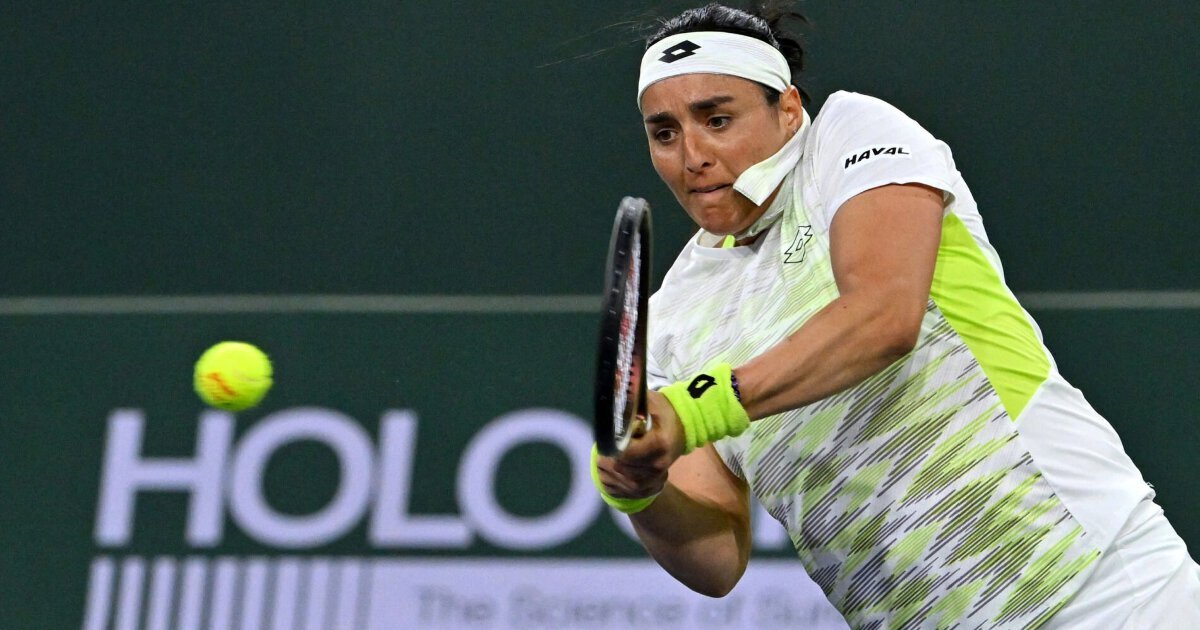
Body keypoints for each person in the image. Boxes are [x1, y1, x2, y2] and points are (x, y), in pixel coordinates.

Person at [591, 3, 1200, 628]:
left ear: (789, 109)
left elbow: (884, 315)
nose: (692, 154)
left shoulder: (850, 135)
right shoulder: (670, 320)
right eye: (665, 133)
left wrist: (693, 410)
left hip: (1105, 591)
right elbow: (717, 560)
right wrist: (639, 488)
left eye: (717, 119)